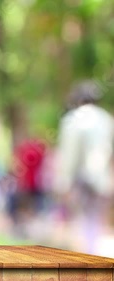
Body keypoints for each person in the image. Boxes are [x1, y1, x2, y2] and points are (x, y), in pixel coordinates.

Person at [54, 80, 114, 254]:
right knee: (95, 220)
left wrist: (63, 182)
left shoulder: (73, 120)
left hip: (80, 179)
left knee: (79, 220)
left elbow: (69, 155)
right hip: (100, 178)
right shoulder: (106, 120)